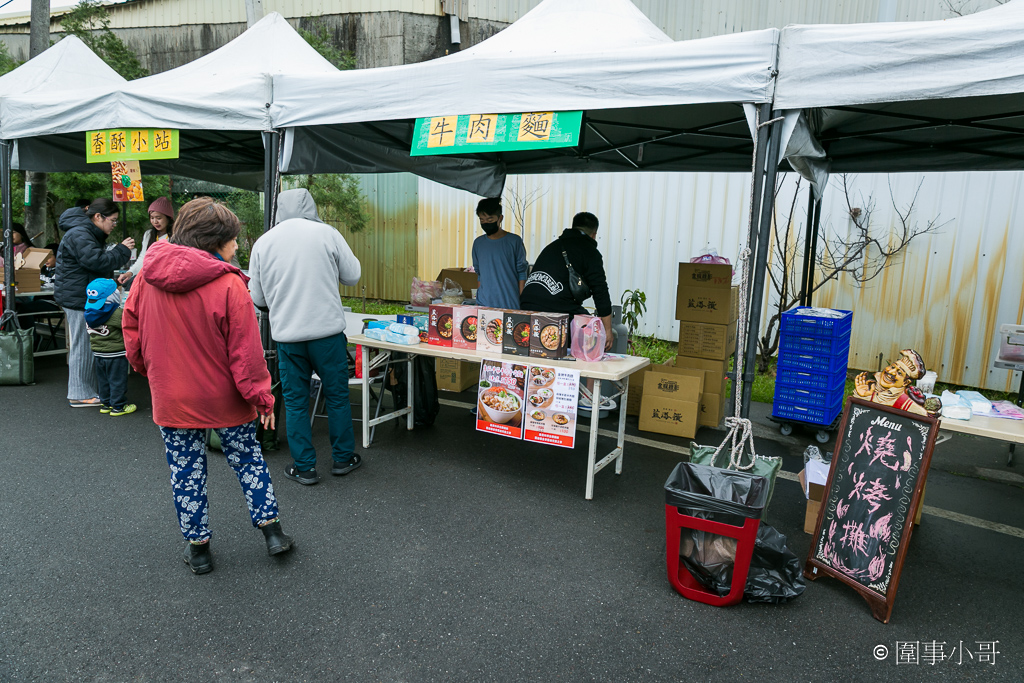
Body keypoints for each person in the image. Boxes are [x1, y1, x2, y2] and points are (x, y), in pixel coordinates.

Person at [122, 197, 292, 575]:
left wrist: (150, 371)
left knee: (185, 470)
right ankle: (273, 533)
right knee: (248, 459)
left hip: (172, 396)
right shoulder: (230, 285)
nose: (236, 247)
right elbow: (247, 356)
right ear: (215, 242)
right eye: (232, 240)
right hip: (225, 397)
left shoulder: (146, 278)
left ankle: (198, 549)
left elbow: (131, 331)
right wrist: (263, 399)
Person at [248, 188, 362, 486]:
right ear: (311, 206)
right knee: (337, 398)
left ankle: (305, 467)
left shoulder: (264, 242)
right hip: (327, 335)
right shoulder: (327, 233)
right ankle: (343, 458)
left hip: (288, 338)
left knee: (297, 402)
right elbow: (353, 275)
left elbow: (257, 297)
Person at [54, 198, 134, 408]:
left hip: (81, 294)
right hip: (80, 297)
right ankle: (80, 393)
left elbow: (92, 264)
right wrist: (122, 250)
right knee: (83, 344)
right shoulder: (80, 233)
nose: (114, 225)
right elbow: (96, 262)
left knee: (86, 343)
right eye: (113, 220)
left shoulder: (81, 231)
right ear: (98, 217)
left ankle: (83, 391)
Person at [520, 211, 614, 349]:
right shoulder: (589, 251)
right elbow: (600, 290)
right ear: (594, 234)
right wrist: (608, 330)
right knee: (590, 334)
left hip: (525, 305)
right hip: (555, 307)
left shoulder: (553, 246)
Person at [84, 278, 135, 416]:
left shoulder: (89, 312)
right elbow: (130, 326)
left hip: (98, 353)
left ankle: (106, 404)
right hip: (116, 353)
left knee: (103, 380)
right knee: (117, 380)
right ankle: (119, 406)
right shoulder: (116, 313)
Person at [472, 197, 528, 310]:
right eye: (482, 220)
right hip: (484, 305)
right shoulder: (478, 243)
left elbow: (522, 273)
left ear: (500, 218)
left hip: (510, 303)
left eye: (490, 219)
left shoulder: (514, 241)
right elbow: (479, 274)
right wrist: (479, 303)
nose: (486, 223)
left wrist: (522, 302)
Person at [854, 349, 929, 417]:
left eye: (899, 373)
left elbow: (925, 421)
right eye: (892, 367)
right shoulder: (870, 390)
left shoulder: (907, 405)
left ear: (906, 382)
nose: (891, 372)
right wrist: (862, 396)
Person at [119, 196, 174, 286]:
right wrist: (130, 273)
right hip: (150, 280)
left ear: (168, 218)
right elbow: (143, 258)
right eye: (152, 218)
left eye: (159, 218)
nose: (155, 221)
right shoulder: (148, 235)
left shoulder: (176, 235)